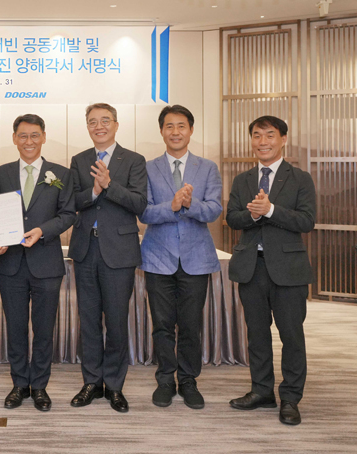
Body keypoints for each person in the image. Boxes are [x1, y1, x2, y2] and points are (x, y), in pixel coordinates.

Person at [225, 115, 316, 426]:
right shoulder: (243, 180)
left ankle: (290, 397)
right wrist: (252, 215)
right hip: (252, 268)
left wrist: (271, 210)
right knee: (257, 335)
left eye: (269, 135)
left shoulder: (300, 178)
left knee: (291, 335)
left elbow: (306, 221)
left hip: (289, 269)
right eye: (256, 135)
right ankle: (261, 390)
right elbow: (232, 218)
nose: (262, 141)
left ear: (283, 139)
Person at [0, 114, 75, 412]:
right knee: (15, 328)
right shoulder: (1, 173)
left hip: (47, 264)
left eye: (34, 135)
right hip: (11, 263)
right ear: (14, 138)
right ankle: (19, 384)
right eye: (23, 136)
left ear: (43, 137)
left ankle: (39, 386)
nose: (29, 141)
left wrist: (42, 231)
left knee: (43, 329)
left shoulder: (60, 172)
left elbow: (68, 214)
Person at [140, 105, 222, 410]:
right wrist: (172, 206)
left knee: (190, 325)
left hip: (196, 258)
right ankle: (165, 379)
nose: (176, 132)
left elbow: (214, 209)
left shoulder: (208, 168)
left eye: (182, 126)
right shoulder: (147, 168)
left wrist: (191, 204)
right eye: (169, 126)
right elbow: (144, 211)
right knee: (161, 325)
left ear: (191, 130)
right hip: (157, 257)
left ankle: (188, 381)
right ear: (161, 131)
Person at [68, 103, 148, 413]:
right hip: (86, 250)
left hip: (120, 252)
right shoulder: (79, 160)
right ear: (87, 127)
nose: (98, 126)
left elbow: (139, 203)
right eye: (92, 122)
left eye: (105, 120)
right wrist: (93, 192)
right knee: (88, 320)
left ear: (116, 124)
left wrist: (109, 186)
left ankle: (114, 385)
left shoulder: (134, 161)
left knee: (116, 321)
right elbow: (72, 200)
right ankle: (91, 382)